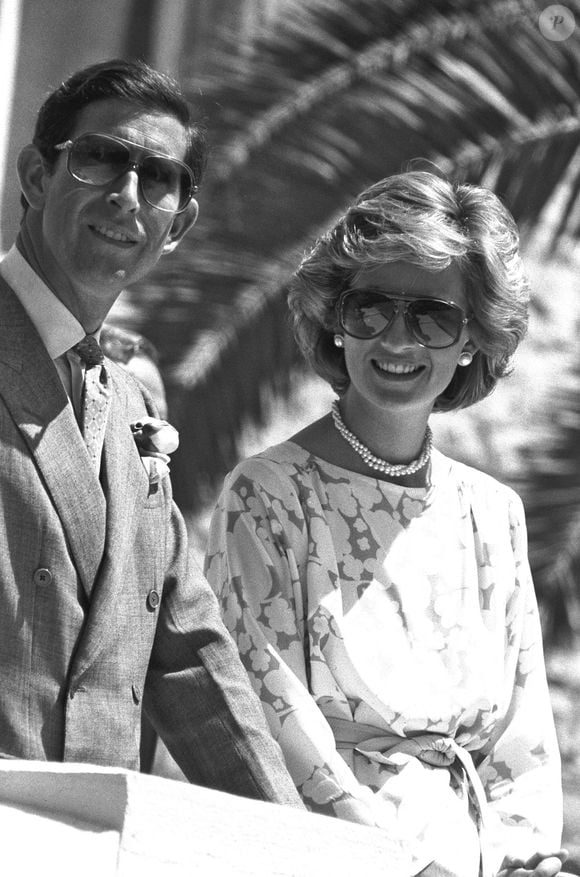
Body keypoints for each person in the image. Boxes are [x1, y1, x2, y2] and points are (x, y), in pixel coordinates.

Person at [204, 171, 569, 874]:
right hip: (332, 858)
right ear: (336, 321)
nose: (398, 338)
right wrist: (401, 866)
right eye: (371, 307)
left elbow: (523, 738)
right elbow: (275, 719)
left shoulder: (495, 513)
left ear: (472, 338)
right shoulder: (267, 495)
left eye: (433, 315)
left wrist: (524, 858)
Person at [0, 57, 303, 809]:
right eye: (100, 157)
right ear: (37, 176)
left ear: (179, 224)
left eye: (158, 176)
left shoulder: (133, 403)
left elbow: (190, 656)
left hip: (94, 837)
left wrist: (302, 842)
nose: (126, 195)